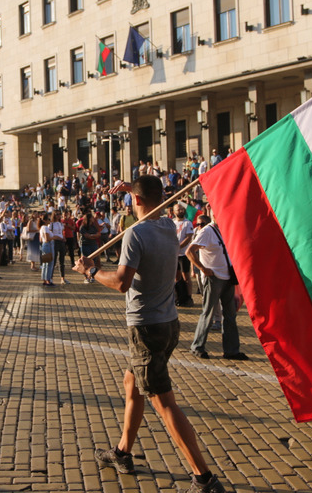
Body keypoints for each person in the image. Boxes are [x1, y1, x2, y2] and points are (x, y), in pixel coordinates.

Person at [73, 175, 228, 493]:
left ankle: (203, 478)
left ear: (136, 201)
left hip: (146, 328)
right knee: (132, 384)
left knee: (163, 402)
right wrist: (135, 190)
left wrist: (90, 271)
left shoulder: (135, 234)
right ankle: (122, 453)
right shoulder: (169, 227)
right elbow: (151, 203)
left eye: (133, 198)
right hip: (168, 323)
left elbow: (121, 283)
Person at [186, 214, 247, 361]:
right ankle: (197, 347)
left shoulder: (224, 230)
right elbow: (190, 251)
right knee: (208, 313)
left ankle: (231, 350)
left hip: (227, 278)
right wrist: (202, 268)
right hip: (213, 278)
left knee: (230, 315)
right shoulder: (207, 231)